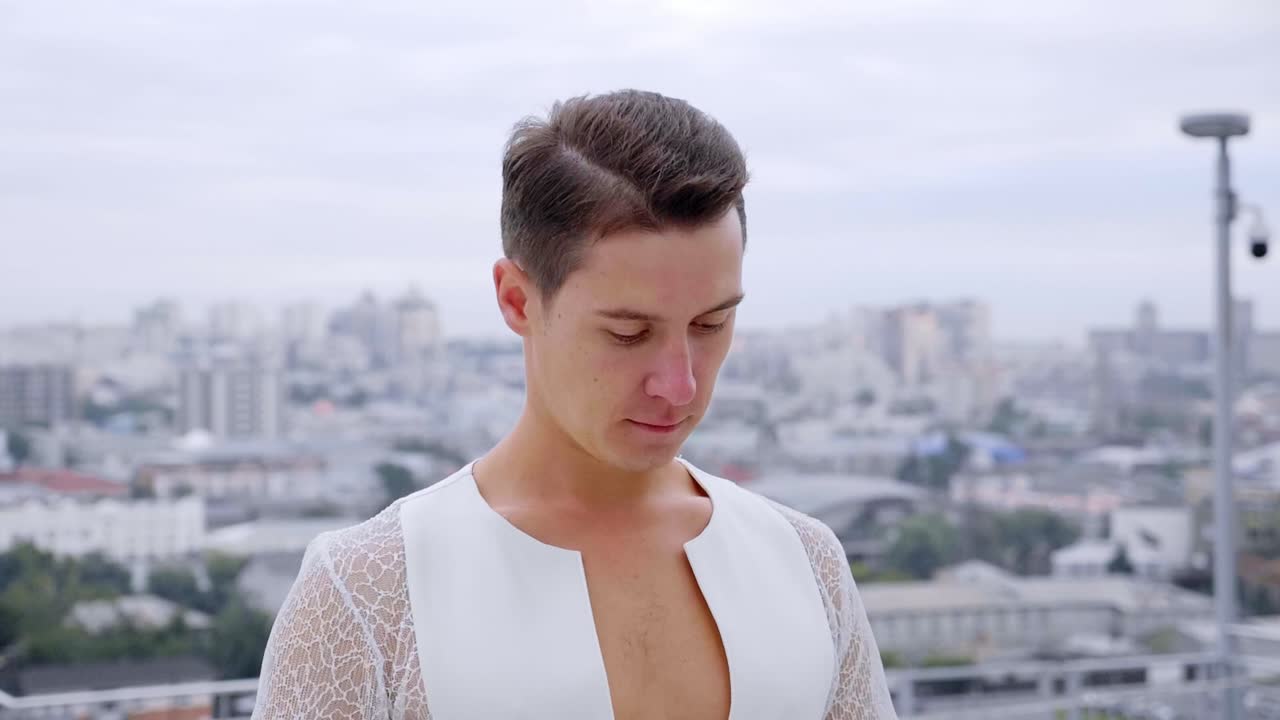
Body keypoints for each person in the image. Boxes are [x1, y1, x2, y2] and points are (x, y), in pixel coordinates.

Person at [252, 89, 897, 720]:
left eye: (711, 324)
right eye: (628, 333)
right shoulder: (367, 593)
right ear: (517, 300)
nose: (680, 386)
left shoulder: (807, 563)